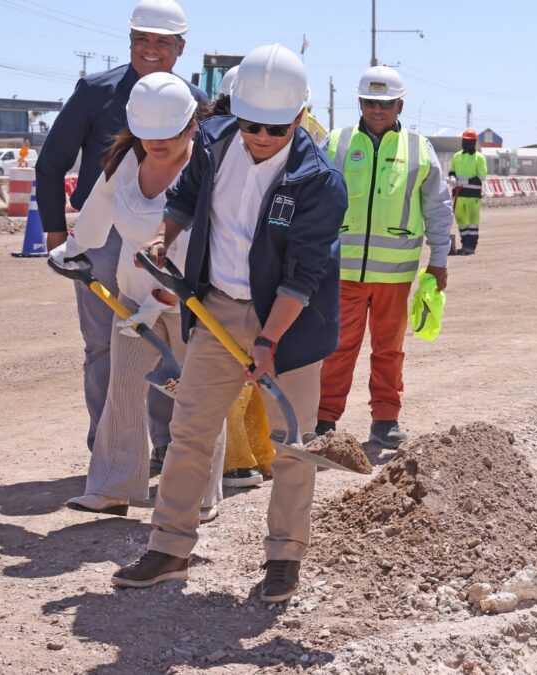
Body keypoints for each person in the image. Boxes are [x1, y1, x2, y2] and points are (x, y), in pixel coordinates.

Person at [112, 44, 346, 603]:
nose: (260, 137)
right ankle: (170, 548)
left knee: (292, 443)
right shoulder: (215, 143)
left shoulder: (318, 181)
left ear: (299, 115)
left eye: (275, 127)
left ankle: (285, 557)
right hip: (214, 306)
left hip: (288, 322)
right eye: (251, 124)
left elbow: (304, 274)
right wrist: (164, 237)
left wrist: (269, 340)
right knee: (189, 431)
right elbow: (185, 197)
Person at [35, 0, 205, 467]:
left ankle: (167, 445)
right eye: (141, 40)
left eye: (162, 42)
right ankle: (108, 446)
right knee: (107, 345)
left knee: (168, 341)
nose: (151, 50)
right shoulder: (96, 92)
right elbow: (51, 164)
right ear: (130, 41)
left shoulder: (195, 104)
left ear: (180, 47)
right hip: (103, 238)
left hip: (174, 241)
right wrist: (56, 237)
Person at [48, 73, 224, 521]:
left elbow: (220, 239)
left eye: (167, 135)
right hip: (132, 296)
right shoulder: (127, 158)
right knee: (122, 390)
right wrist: (71, 250)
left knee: (194, 397)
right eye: (147, 134)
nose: (156, 144)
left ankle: (199, 495)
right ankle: (112, 486)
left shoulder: (207, 165)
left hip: (191, 304)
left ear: (190, 125)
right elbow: (98, 207)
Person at [316, 66, 452, 448]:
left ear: (399, 104)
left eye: (386, 103)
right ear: (359, 102)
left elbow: (438, 208)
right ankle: (324, 419)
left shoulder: (418, 149)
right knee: (337, 347)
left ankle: (385, 420)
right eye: (371, 102)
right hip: (343, 270)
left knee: (389, 350)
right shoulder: (336, 143)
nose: (378, 110)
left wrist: (439, 259)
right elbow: (313, 200)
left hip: (395, 274)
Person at [449, 128, 487, 255]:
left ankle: (471, 245)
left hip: (473, 196)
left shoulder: (479, 158)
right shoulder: (457, 156)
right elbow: (452, 171)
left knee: (472, 221)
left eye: (469, 141)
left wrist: (465, 182)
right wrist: (452, 178)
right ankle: (465, 243)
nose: (467, 143)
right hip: (458, 195)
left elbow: (482, 176)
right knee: (461, 221)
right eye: (465, 141)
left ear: (474, 142)